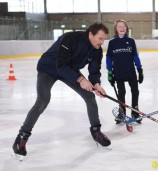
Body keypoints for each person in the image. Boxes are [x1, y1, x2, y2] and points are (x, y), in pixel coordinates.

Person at [12, 22, 111, 161]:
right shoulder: (70, 38)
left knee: (89, 96)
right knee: (43, 100)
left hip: (69, 70)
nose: (102, 42)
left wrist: (96, 84)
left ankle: (96, 131)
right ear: (90, 34)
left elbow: (94, 70)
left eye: (104, 39)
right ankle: (21, 137)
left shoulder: (97, 50)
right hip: (49, 68)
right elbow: (61, 65)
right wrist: (81, 79)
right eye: (100, 38)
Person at [106, 19, 143, 124]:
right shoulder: (112, 42)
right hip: (118, 72)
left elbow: (135, 56)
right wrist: (109, 72)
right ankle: (122, 113)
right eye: (119, 27)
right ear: (116, 29)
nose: (122, 28)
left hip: (130, 71)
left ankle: (135, 112)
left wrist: (140, 70)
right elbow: (109, 57)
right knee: (121, 93)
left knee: (135, 91)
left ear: (126, 28)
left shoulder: (131, 41)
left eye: (124, 26)